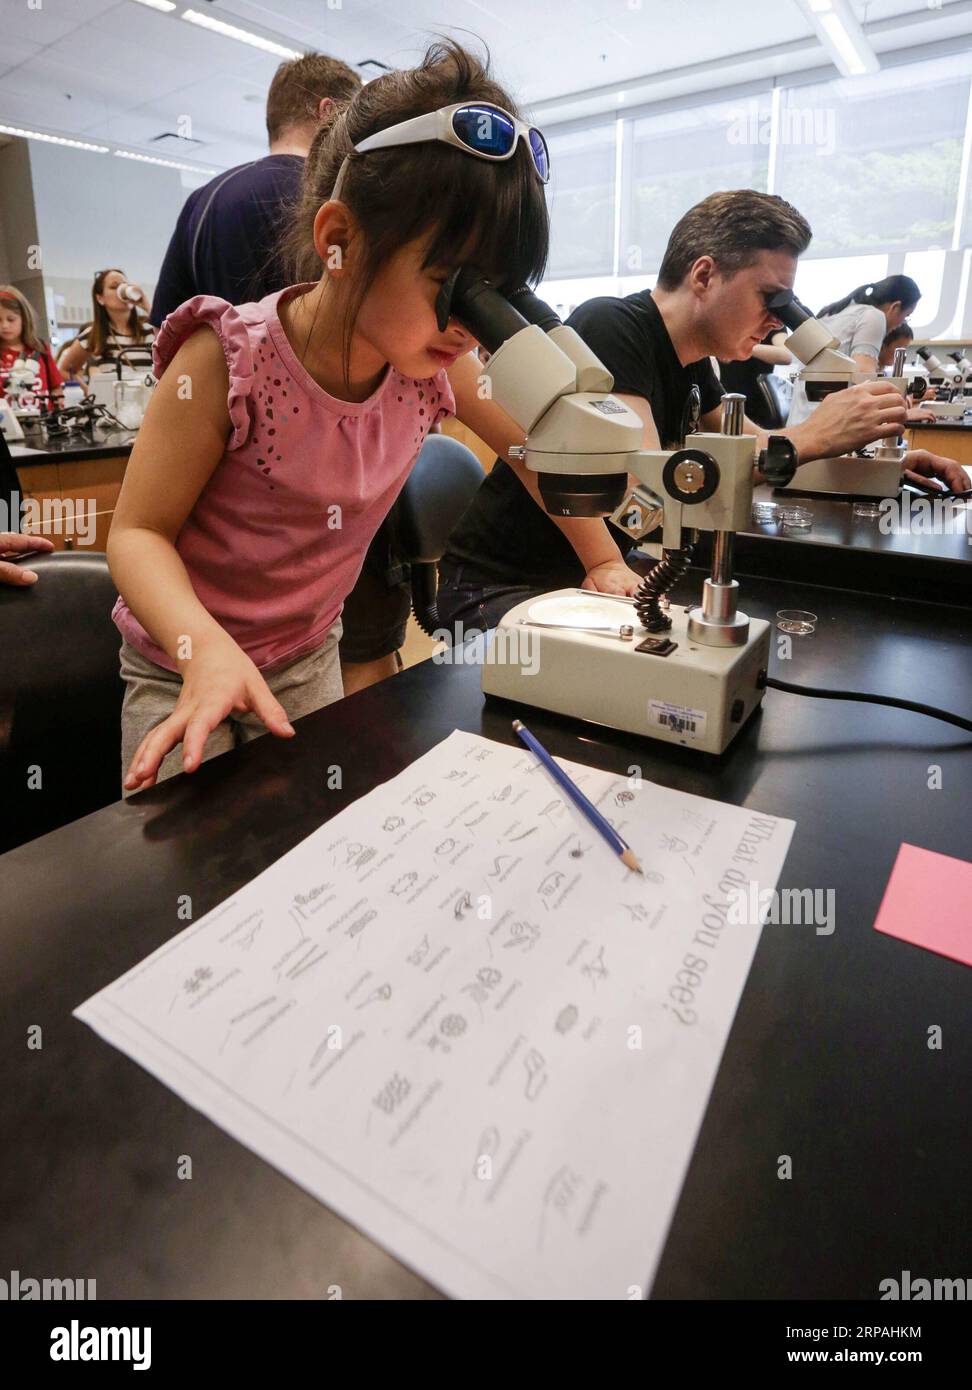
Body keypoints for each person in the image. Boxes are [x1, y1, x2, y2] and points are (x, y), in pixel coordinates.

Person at [107, 40, 550, 793]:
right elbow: (136, 533)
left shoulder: (436, 363)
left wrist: (607, 558)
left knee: (309, 843)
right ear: (339, 241)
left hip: (308, 657)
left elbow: (538, 449)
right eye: (452, 287)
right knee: (189, 853)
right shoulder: (226, 361)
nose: (469, 325)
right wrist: (203, 650)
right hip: (181, 660)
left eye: (493, 298)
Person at [437, 193, 968, 633]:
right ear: (705, 274)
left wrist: (867, 463)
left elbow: (756, 451)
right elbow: (646, 496)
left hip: (603, 579)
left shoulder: (694, 364)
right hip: (507, 586)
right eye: (770, 298)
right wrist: (807, 437)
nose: (775, 322)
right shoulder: (611, 327)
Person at [151, 53, 408, 698]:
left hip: (225, 521)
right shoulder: (362, 225)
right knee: (363, 687)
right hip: (330, 512)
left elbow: (160, 338)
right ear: (331, 115)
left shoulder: (203, 203)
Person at [150, 53, 362, 322]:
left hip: (217, 364)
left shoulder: (201, 201)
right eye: (353, 120)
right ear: (328, 112)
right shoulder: (340, 197)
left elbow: (166, 333)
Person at [787, 274, 920, 427]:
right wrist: (901, 413)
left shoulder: (833, 311)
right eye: (906, 316)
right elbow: (864, 377)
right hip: (829, 424)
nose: (901, 324)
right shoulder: (874, 316)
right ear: (895, 307)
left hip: (800, 420)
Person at [58, 270, 154, 380]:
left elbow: (173, 337)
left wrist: (146, 305)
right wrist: (90, 388)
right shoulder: (93, 335)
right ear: (100, 298)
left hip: (151, 395)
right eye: (114, 287)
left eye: (124, 285)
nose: (121, 290)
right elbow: (64, 371)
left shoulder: (149, 329)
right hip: (114, 396)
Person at [0, 285, 63, 406]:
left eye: (11, 319)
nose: (5, 326)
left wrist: (57, 409)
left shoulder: (40, 349)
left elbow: (56, 388)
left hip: (43, 420)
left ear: (24, 319)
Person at [717, 326, 791, 428]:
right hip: (722, 401)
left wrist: (744, 346)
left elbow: (786, 355)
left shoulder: (771, 319)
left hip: (757, 406)